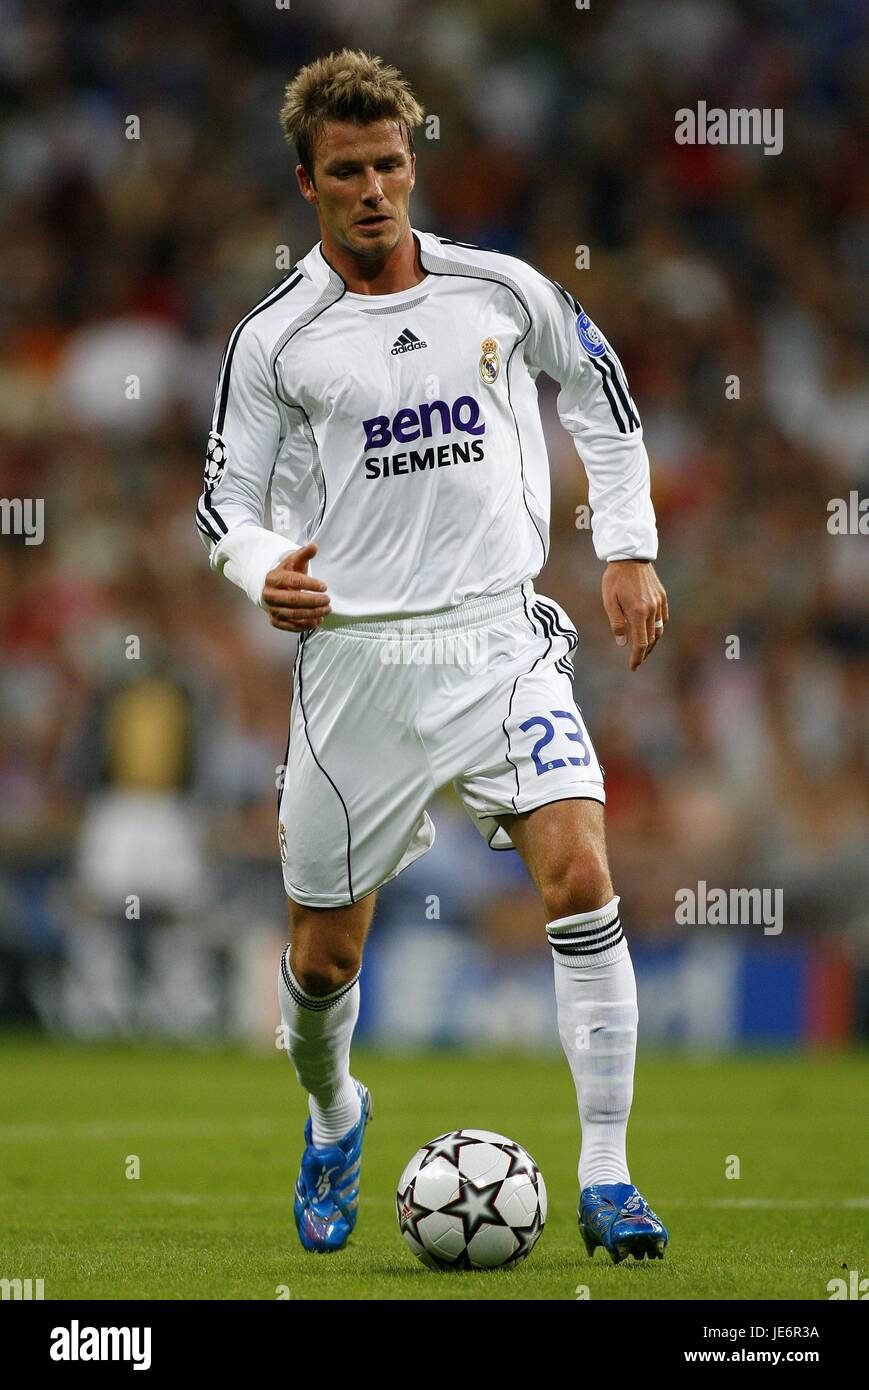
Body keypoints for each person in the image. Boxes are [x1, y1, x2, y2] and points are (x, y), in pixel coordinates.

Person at [196, 48, 669, 1264]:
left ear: (415, 164)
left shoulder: (497, 288)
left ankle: (609, 1177)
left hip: (498, 642)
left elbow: (601, 396)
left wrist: (625, 549)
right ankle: (334, 1113)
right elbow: (223, 505)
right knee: (321, 959)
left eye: (391, 165)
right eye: (346, 170)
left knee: (579, 877)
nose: (374, 189)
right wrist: (263, 570)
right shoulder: (275, 340)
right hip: (354, 664)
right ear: (307, 180)